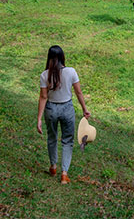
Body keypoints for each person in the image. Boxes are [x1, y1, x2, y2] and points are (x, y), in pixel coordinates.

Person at [36, 45, 90, 184]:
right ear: (62, 57)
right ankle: (64, 174)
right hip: (67, 108)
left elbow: (43, 97)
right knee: (67, 140)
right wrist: (84, 108)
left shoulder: (44, 75)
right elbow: (78, 92)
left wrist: (39, 118)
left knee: (52, 138)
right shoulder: (71, 72)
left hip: (51, 109)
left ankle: (53, 167)